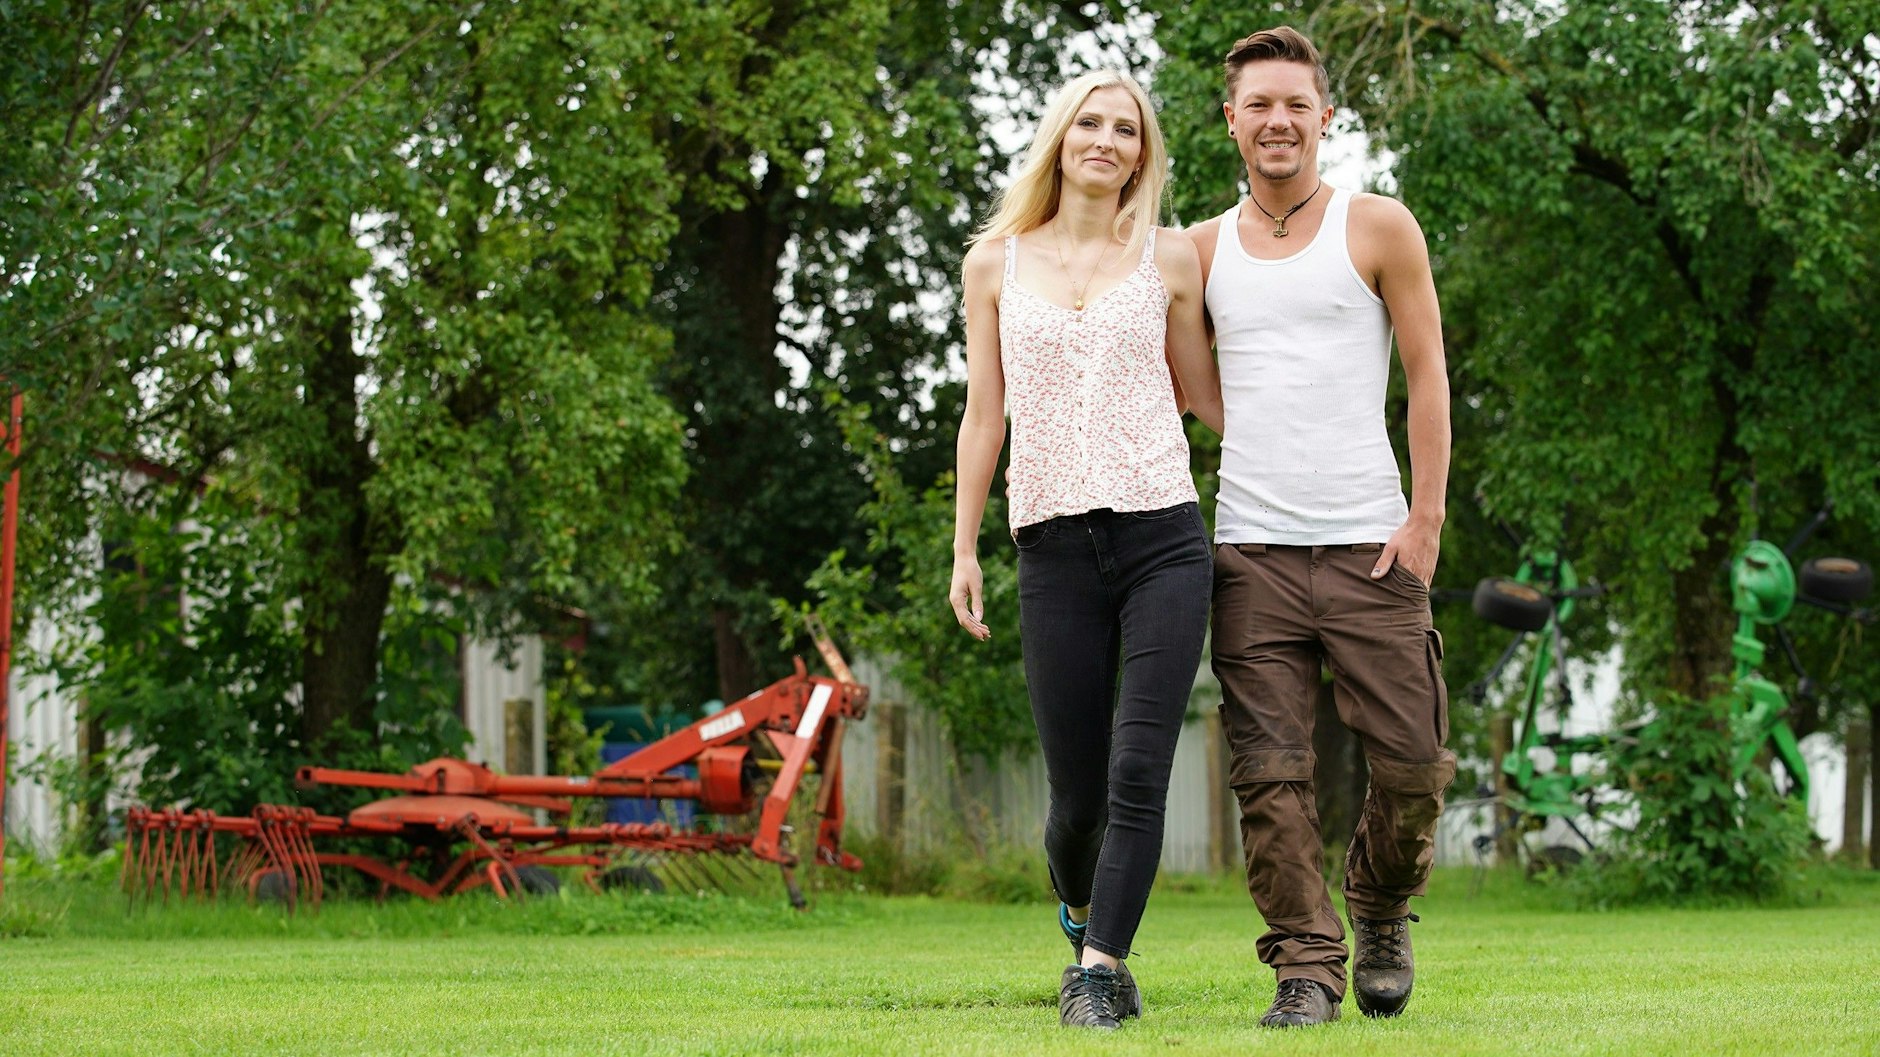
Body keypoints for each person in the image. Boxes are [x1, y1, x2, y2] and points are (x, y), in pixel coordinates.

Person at [1186, 26, 1456, 1029]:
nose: (1276, 120)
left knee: (1416, 764)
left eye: (1295, 103)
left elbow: (1426, 372)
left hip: (1371, 544)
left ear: (1324, 118)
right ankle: (1304, 966)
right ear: (1229, 119)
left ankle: (1378, 902)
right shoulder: (1200, 249)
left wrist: (1424, 517)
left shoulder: (1377, 226)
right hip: (1249, 553)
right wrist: (1251, 432)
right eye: (1257, 102)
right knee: (1269, 775)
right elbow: (1186, 376)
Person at [948, 69, 1223, 1031]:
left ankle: (1100, 971)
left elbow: (1204, 396)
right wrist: (965, 548)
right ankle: (1078, 913)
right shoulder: (995, 263)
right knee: (1075, 796)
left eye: (1125, 129)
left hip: (1162, 538)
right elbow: (985, 416)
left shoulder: (1171, 256)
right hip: (1052, 547)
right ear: (1061, 138)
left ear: (1143, 154)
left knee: (1139, 768)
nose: (1105, 140)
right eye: (1089, 124)